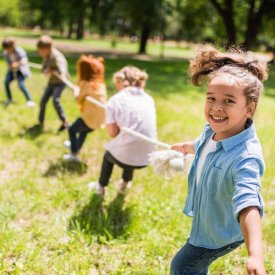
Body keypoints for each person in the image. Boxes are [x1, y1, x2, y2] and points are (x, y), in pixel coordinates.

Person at [170, 46, 268, 275]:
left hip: (220, 232)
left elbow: (249, 203)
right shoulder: (212, 130)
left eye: (229, 101)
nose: (216, 107)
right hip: (209, 219)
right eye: (211, 98)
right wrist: (189, 147)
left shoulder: (245, 157)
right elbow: (206, 145)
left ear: (249, 109)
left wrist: (255, 255)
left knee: (183, 266)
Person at [89, 66, 157, 196]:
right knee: (130, 142)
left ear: (120, 82)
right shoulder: (149, 98)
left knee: (109, 155)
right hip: (148, 156)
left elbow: (112, 133)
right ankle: (125, 184)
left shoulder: (115, 99)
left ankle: (101, 187)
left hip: (128, 155)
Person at [63, 55, 107, 161]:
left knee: (72, 130)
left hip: (90, 118)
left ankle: (74, 154)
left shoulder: (86, 84)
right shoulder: (100, 84)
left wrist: (76, 92)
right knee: (84, 130)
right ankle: (76, 146)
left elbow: (78, 99)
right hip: (100, 119)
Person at [36, 35, 69, 132]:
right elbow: (43, 70)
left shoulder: (56, 55)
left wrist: (63, 73)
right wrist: (47, 71)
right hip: (51, 82)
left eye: (40, 50)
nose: (39, 52)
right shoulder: (47, 56)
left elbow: (62, 65)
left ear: (45, 48)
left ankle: (65, 122)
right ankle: (40, 122)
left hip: (60, 83)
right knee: (43, 101)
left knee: (55, 100)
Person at [2, 38, 35, 107]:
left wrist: (17, 64)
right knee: (6, 82)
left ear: (12, 47)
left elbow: (24, 60)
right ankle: (9, 99)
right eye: (5, 49)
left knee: (21, 84)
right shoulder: (5, 53)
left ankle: (30, 100)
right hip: (12, 71)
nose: (7, 50)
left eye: (8, 48)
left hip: (21, 70)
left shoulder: (19, 50)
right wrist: (11, 66)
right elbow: (8, 64)